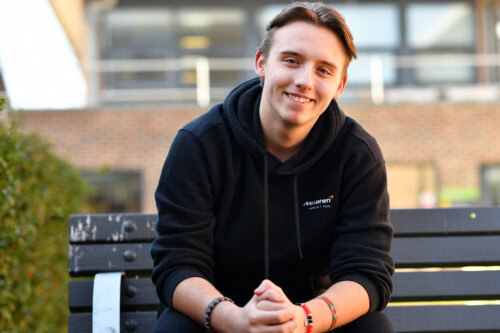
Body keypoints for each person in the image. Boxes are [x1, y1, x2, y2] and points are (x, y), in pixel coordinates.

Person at [151, 2, 395, 332]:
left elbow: (366, 273)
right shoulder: (199, 144)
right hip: (221, 316)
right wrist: (234, 319)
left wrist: (304, 319)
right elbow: (177, 264)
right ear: (261, 63)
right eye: (291, 61)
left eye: (324, 70)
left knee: (373, 327)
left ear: (340, 85)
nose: (304, 81)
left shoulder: (357, 154)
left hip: (313, 317)